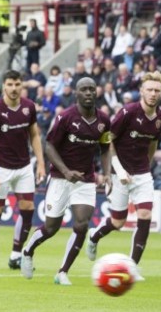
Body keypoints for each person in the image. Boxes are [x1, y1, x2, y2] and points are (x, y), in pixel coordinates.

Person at [20, 78, 112, 285]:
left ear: (96, 92)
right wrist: (65, 171)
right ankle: (27, 251)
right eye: (84, 89)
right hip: (61, 178)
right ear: (77, 94)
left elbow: (106, 147)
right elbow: (49, 146)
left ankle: (62, 272)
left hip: (85, 180)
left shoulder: (104, 120)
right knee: (51, 228)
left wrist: (106, 173)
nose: (88, 92)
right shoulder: (65, 117)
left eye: (91, 89)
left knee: (81, 224)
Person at [85, 71, 161, 281]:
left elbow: (153, 143)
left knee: (145, 216)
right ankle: (94, 235)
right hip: (117, 172)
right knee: (118, 222)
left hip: (141, 174)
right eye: (149, 89)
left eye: (157, 90)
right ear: (141, 91)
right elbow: (106, 140)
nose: (153, 93)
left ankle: (131, 267)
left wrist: (146, 167)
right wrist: (118, 170)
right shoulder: (128, 112)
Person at [0, 70, 46, 270]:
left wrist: (41, 163)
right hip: (1, 167)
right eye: (10, 84)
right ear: (3, 86)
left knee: (27, 209)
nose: (14, 88)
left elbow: (34, 135)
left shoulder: (29, 107)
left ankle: (16, 254)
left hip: (24, 166)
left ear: (22, 86)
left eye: (17, 84)